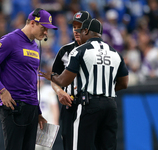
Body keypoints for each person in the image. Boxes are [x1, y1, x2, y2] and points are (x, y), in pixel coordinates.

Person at [39, 18, 129, 150]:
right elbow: (124, 83)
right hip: (110, 104)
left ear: (86, 31)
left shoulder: (80, 50)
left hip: (87, 104)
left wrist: (51, 77)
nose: (77, 32)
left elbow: (64, 80)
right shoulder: (115, 52)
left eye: (80, 30)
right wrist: (105, 90)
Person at [0, 8, 58, 150]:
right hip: (14, 105)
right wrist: (2, 91)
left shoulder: (34, 45)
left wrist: (38, 112)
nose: (46, 32)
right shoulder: (10, 40)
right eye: (44, 28)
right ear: (33, 23)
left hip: (31, 108)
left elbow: (31, 80)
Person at [50, 11, 91, 150]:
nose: (76, 30)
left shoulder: (98, 50)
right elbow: (54, 77)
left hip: (92, 104)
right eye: (74, 26)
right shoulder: (65, 50)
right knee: (69, 144)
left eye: (80, 26)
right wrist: (59, 92)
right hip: (70, 104)